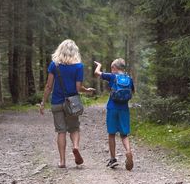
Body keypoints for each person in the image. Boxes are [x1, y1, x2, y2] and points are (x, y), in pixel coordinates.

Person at [39, 39, 94, 168]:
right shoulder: (78, 66)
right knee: (74, 128)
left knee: (61, 131)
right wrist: (86, 90)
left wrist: (43, 102)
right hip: (72, 103)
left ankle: (62, 161)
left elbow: (48, 86)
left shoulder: (54, 65)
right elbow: (78, 87)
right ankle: (75, 147)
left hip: (57, 102)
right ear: (75, 52)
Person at [94, 58, 134, 171]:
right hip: (124, 109)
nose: (111, 70)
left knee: (111, 134)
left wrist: (99, 66)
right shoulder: (129, 78)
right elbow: (132, 92)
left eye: (112, 68)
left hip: (112, 108)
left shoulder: (112, 77)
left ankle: (113, 159)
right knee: (124, 134)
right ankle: (128, 151)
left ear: (115, 68)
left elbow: (97, 73)